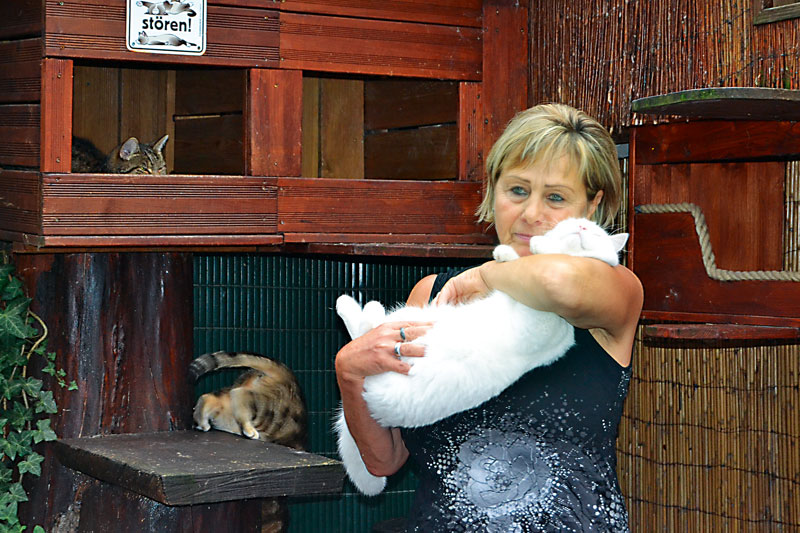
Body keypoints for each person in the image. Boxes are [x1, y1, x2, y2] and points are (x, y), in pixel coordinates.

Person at [335, 103, 643, 532]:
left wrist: (486, 274)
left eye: (556, 197)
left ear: (592, 205)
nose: (532, 213)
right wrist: (350, 374)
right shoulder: (434, 293)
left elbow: (555, 283)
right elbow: (384, 460)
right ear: (493, 189)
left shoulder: (613, 290)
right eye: (517, 190)